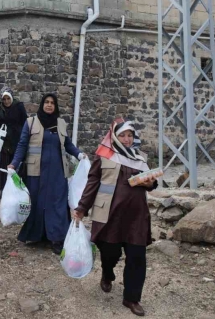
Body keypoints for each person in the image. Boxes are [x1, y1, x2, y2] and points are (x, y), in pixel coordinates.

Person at [73, 119, 157, 317]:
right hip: (110, 215)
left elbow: (152, 183)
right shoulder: (104, 156)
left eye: (130, 135)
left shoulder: (140, 158)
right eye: (123, 135)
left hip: (136, 217)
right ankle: (107, 272)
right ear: (115, 137)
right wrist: (82, 208)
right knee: (109, 251)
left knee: (137, 257)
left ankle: (132, 298)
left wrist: (150, 184)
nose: (127, 139)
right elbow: (93, 182)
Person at [8, 93, 86, 255]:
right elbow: (22, 145)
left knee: (57, 204)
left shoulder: (61, 124)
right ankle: (37, 234)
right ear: (42, 104)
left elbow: (68, 144)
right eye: (47, 102)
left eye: (52, 103)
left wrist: (79, 154)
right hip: (36, 172)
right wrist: (14, 164)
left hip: (58, 172)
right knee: (37, 203)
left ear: (56, 106)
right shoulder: (31, 123)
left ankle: (56, 238)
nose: (49, 105)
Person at [0, 87, 27, 199]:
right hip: (3, 140)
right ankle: (2, 189)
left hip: (16, 139)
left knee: (14, 164)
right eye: (4, 99)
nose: (6, 101)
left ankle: (15, 188)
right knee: (2, 164)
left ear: (11, 97)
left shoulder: (19, 106)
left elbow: (25, 121)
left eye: (8, 98)